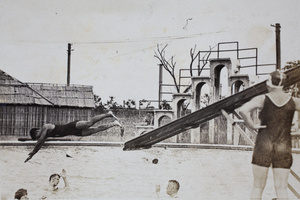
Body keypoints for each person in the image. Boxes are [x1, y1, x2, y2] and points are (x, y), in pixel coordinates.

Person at [239, 70, 300, 200]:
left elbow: (243, 110)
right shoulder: (293, 101)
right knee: (281, 188)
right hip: (283, 146)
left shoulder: (262, 99)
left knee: (257, 187)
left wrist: (252, 125)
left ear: (270, 83)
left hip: (263, 145)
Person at [25, 111, 124, 162]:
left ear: (37, 131)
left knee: (89, 123)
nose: (39, 137)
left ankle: (108, 114)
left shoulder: (45, 127)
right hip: (74, 132)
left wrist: (33, 153)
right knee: (95, 130)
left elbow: (40, 141)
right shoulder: (45, 135)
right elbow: (40, 142)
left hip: (72, 125)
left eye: (37, 136)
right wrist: (32, 154)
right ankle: (114, 123)